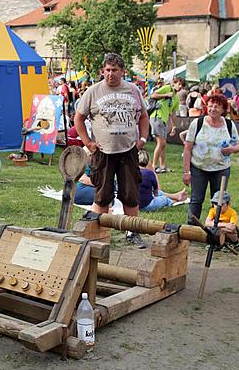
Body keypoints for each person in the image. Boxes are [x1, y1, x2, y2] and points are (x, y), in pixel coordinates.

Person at [74, 53, 150, 248]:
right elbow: (79, 118)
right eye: (107, 70)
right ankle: (96, 233)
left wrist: (142, 139)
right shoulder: (93, 91)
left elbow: (143, 116)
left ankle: (132, 232)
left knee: (130, 193)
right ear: (102, 71)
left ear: (123, 71)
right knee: (102, 193)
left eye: (114, 70)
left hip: (128, 151)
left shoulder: (133, 90)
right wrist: (88, 143)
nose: (110, 74)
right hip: (103, 151)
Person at [182, 93, 239, 225]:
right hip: (199, 167)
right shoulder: (197, 123)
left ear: (223, 109)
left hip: (221, 169)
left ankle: (216, 228)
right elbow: (187, 149)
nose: (213, 109)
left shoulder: (229, 125)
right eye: (210, 106)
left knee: (218, 201)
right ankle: (191, 229)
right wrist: (186, 172)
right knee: (196, 200)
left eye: (217, 106)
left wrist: (231, 149)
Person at [148, 77, 180, 173]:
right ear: (173, 83)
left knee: (163, 145)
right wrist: (166, 95)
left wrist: (174, 126)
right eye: (178, 84)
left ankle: (162, 166)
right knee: (161, 143)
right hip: (157, 117)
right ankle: (153, 166)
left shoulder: (176, 98)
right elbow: (153, 95)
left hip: (164, 120)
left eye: (182, 85)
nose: (180, 86)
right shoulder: (167, 88)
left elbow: (173, 113)